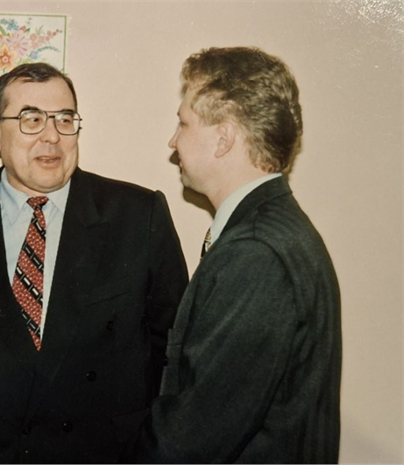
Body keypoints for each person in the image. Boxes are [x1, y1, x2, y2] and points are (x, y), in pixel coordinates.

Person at [0, 62, 188, 463]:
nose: (52, 136)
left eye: (65, 119)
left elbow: (174, 344)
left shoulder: (137, 215)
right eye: (31, 119)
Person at [133, 47, 342, 463]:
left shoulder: (255, 252)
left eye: (183, 123)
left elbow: (191, 437)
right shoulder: (272, 229)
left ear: (224, 138)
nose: (173, 141)